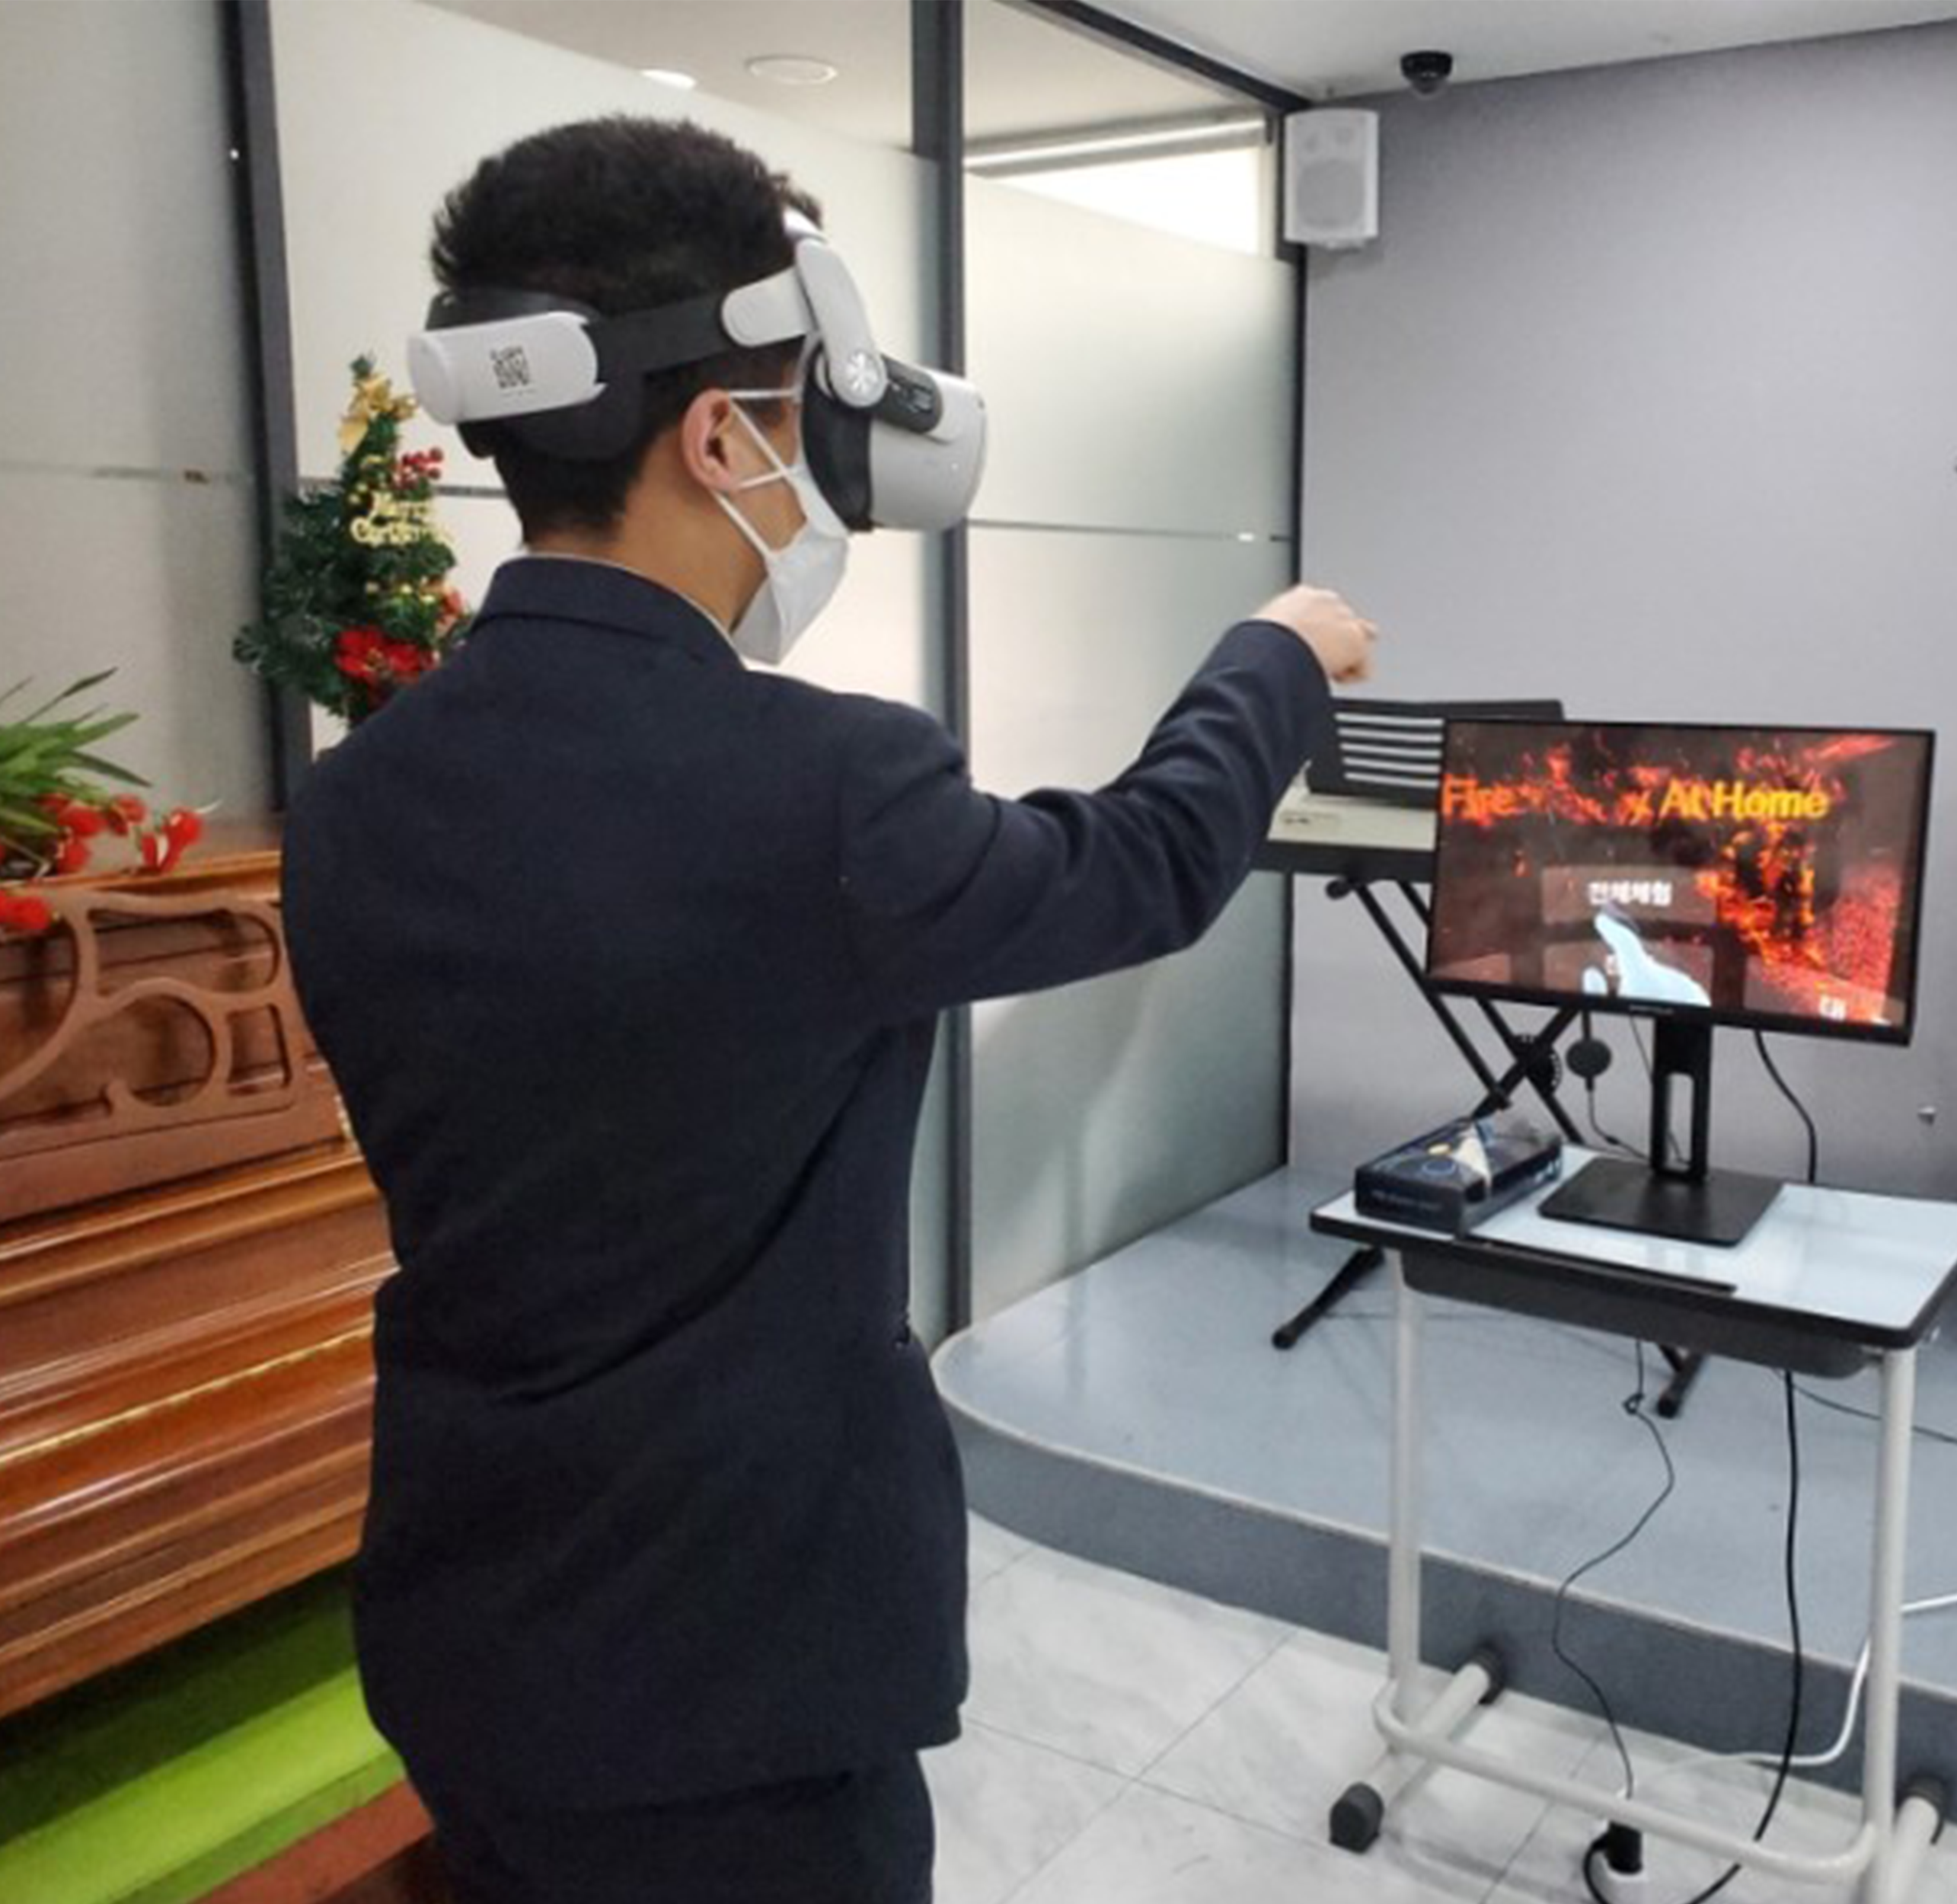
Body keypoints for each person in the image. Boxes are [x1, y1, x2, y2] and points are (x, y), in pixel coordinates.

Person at [282, 116, 1374, 1904]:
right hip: (736, 1679)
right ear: (719, 436)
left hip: (466, 1631)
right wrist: (1275, 657)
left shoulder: (352, 804)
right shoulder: (824, 793)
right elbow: (1147, 866)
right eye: (798, 414)